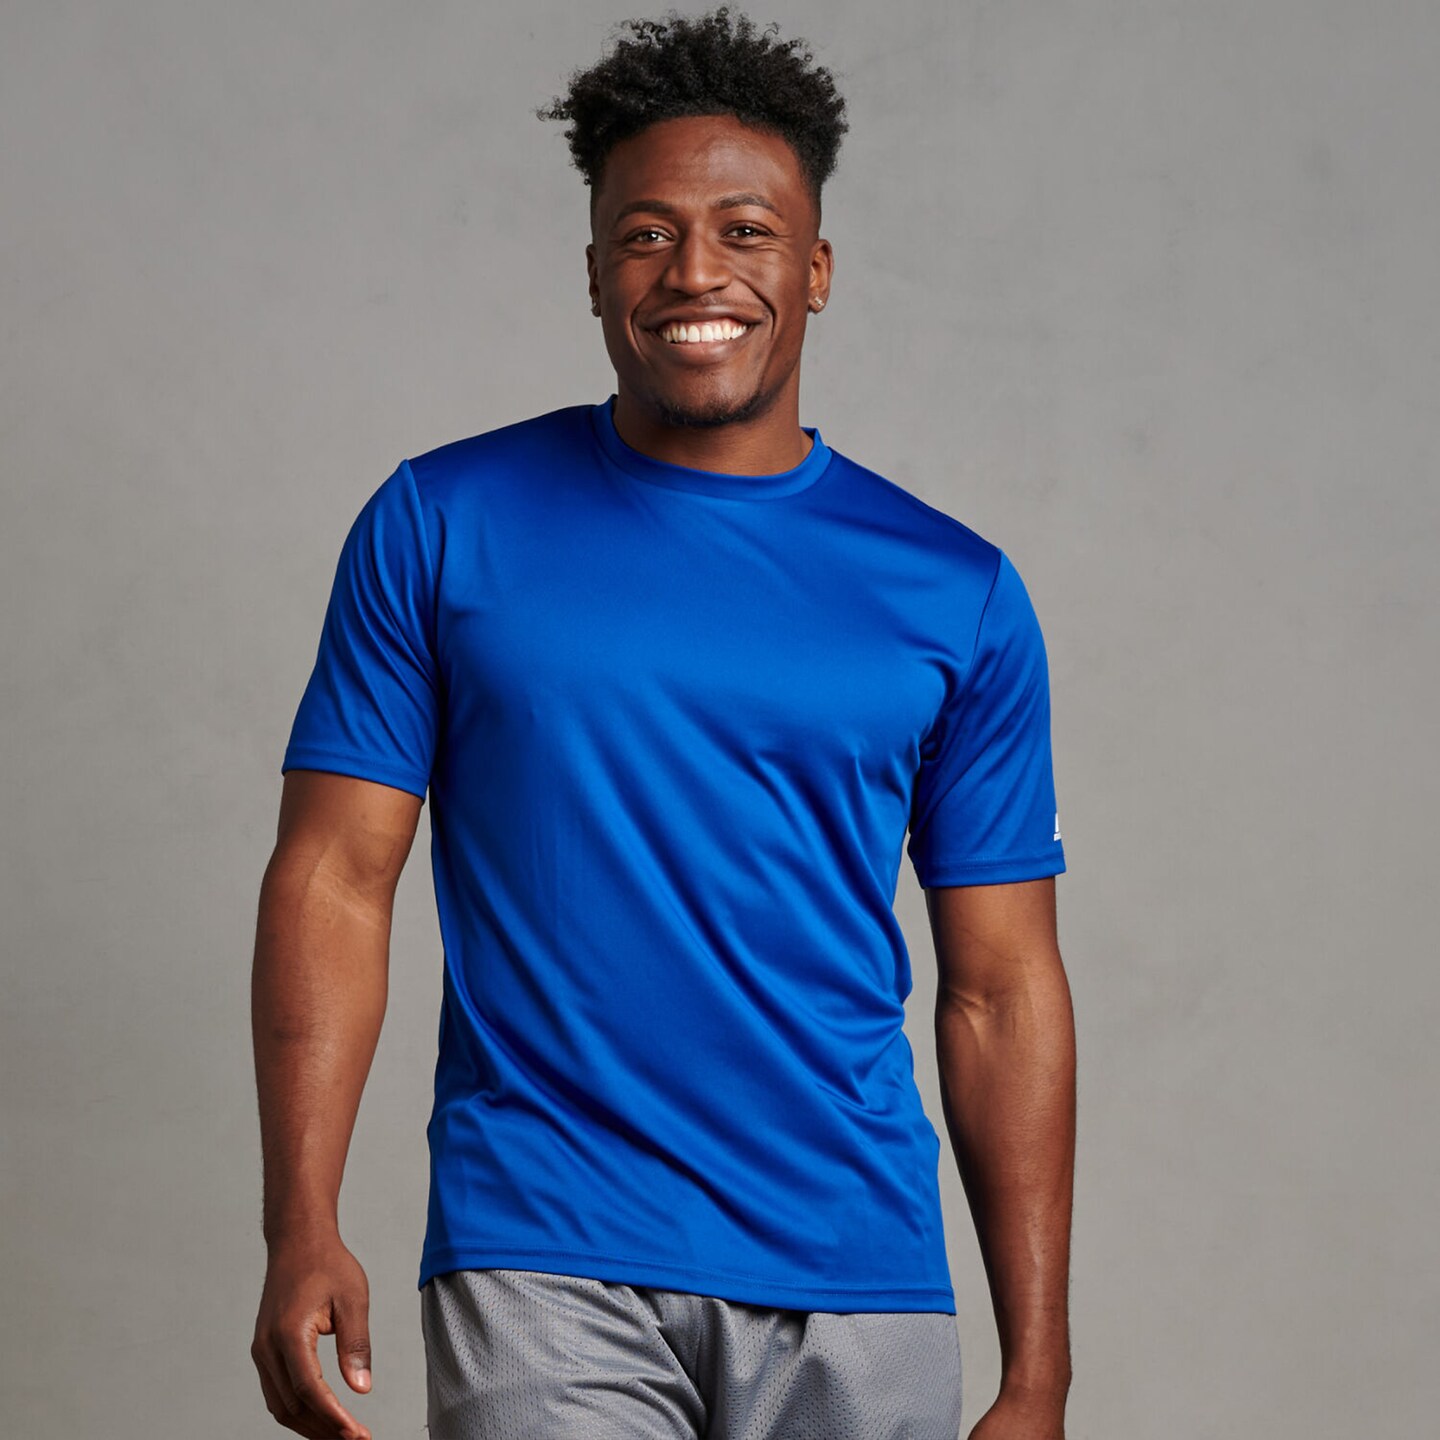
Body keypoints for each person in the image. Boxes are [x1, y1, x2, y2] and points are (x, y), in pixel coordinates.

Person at [249, 8, 1075, 1440]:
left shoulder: (958, 592)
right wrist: (299, 1220)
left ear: (816, 270)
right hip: (544, 1245)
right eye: (646, 235)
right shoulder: (443, 523)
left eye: (746, 232)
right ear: (593, 271)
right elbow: (334, 877)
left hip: (860, 1274)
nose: (696, 272)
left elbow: (1001, 989)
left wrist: (1039, 1369)